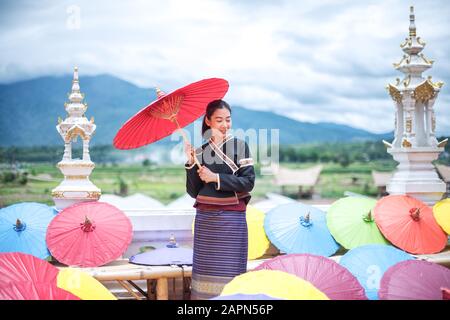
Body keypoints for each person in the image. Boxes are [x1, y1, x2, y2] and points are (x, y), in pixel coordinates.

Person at [184, 99, 255, 300]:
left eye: (228, 120)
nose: (224, 125)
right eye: (219, 120)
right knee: (205, 271)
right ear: (208, 121)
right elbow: (193, 191)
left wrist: (215, 178)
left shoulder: (240, 146)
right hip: (206, 220)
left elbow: (248, 182)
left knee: (231, 271)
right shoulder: (199, 152)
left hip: (231, 220)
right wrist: (190, 163)